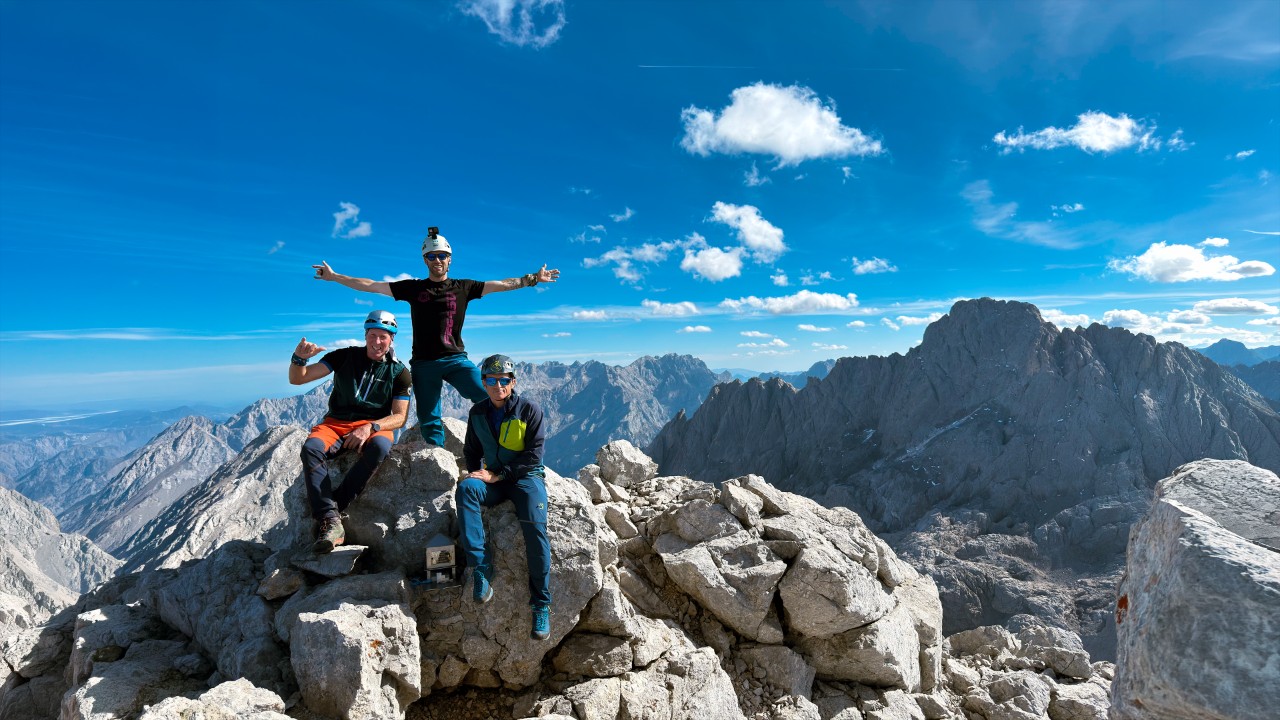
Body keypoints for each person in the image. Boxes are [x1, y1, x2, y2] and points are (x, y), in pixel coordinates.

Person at [311, 227, 559, 447]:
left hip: (456, 359)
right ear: (425, 260)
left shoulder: (464, 287)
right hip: (424, 363)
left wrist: (533, 279)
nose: (437, 260)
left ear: (449, 259)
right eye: (432, 256)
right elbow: (370, 285)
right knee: (429, 417)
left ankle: (508, 444)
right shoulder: (413, 288)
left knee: (489, 395)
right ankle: (438, 457)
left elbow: (501, 284)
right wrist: (335, 277)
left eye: (442, 256)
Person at [289, 310, 412, 553]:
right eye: (373, 335)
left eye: (383, 337)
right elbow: (298, 380)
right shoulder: (344, 357)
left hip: (374, 425)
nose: (377, 342)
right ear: (366, 335)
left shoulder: (399, 372)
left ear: (392, 339)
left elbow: (399, 417)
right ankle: (331, 520)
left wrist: (370, 427)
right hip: (335, 422)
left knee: (380, 447)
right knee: (311, 448)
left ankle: (334, 506)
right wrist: (298, 359)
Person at [457, 354, 552, 640]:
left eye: (503, 380)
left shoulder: (528, 410)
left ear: (513, 382)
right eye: (491, 380)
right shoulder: (477, 413)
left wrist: (497, 475)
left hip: (526, 479)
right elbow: (472, 451)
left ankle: (541, 604)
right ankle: (481, 568)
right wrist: (477, 473)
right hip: (495, 479)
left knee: (535, 531)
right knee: (466, 490)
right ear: (483, 382)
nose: (498, 385)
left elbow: (534, 454)